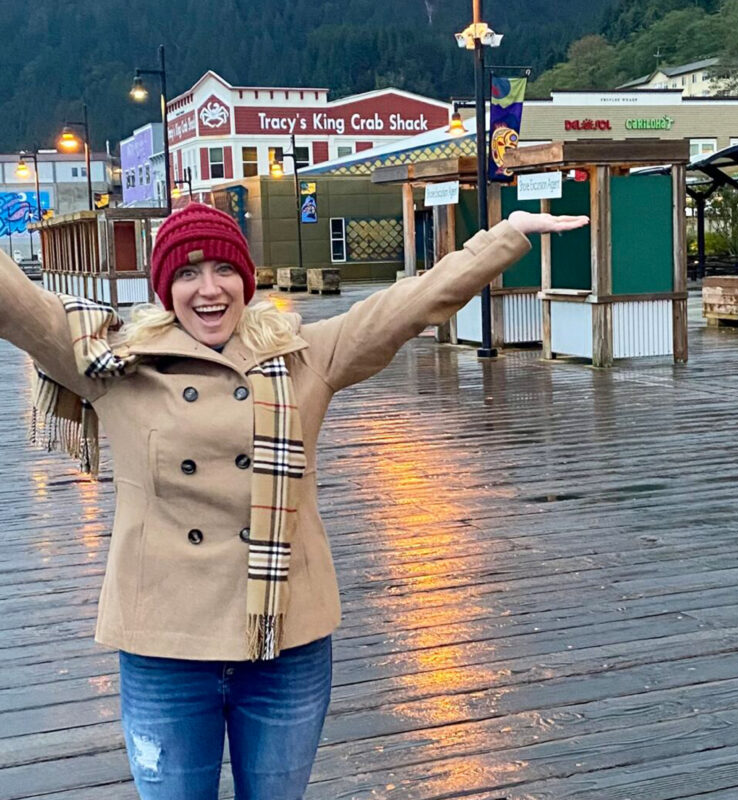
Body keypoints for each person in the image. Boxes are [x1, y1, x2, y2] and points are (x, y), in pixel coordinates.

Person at [0, 203, 588, 800]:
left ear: (247, 280)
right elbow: (16, 303)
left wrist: (504, 237)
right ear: (165, 288)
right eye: (187, 273)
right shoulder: (114, 364)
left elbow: (409, 305)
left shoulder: (304, 356)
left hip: (285, 642)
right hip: (165, 649)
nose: (208, 290)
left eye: (224, 270)